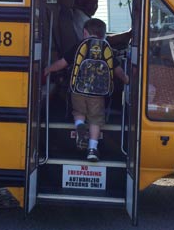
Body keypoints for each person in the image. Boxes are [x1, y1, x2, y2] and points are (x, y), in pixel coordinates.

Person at [44, 18, 129, 162]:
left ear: (84, 32)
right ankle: (92, 149)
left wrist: (48, 69)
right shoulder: (106, 48)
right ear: (103, 34)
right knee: (95, 119)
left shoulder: (79, 46)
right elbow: (117, 70)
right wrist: (127, 79)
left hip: (78, 90)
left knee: (79, 112)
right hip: (98, 93)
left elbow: (62, 63)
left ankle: (79, 126)